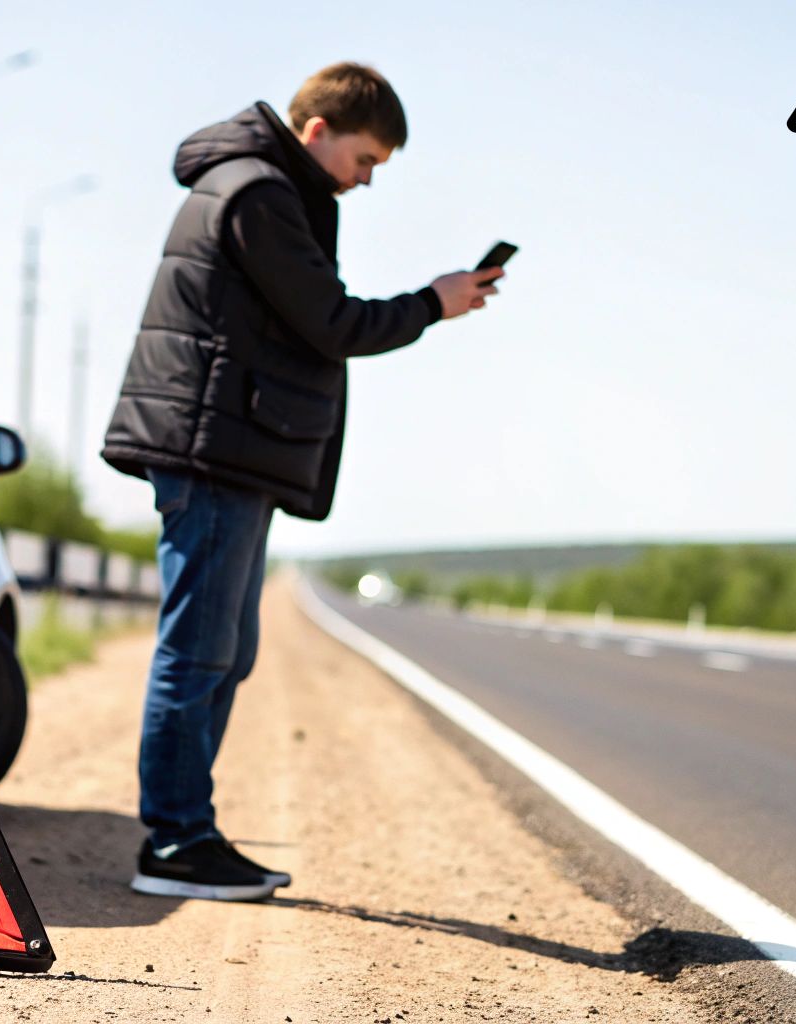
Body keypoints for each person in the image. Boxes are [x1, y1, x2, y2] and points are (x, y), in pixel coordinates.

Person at [99, 62, 503, 902]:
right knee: (199, 652)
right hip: (214, 448)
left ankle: (186, 833)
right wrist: (431, 303)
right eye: (365, 160)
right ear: (318, 131)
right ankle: (174, 842)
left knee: (224, 652)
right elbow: (332, 321)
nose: (366, 180)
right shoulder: (258, 193)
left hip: (231, 447)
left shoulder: (268, 188)